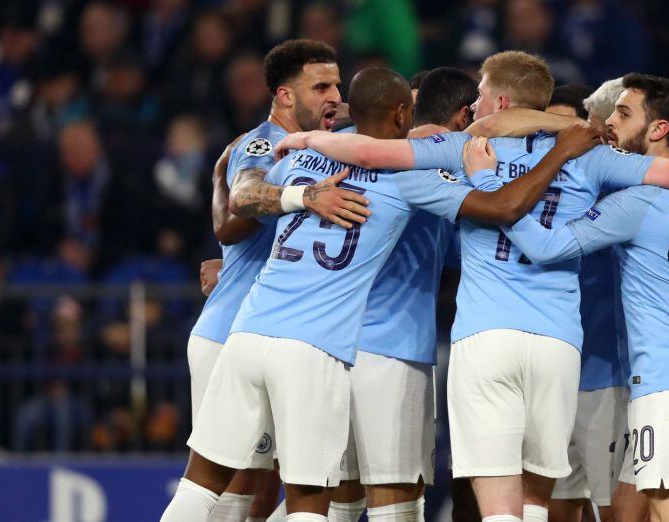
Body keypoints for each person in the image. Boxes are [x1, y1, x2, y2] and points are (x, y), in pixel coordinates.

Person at [275, 51, 669, 522]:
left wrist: (305, 143)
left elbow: (372, 150)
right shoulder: (593, 159)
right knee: (544, 499)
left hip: (487, 337)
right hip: (561, 346)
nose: (474, 107)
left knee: (497, 496)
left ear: (501, 103)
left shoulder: (466, 150)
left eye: (482, 96)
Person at [160, 66, 604, 522]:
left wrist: (275, 221)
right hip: (324, 348)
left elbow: (245, 203)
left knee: (201, 487)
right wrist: (560, 143)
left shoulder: (297, 161)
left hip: (249, 332)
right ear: (400, 114)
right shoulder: (410, 178)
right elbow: (501, 207)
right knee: (317, 505)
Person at [464, 74, 669, 522]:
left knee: (667, 510)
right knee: (641, 511)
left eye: (622, 114)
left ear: (656, 128)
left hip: (661, 373)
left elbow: (545, 246)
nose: (609, 125)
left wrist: (493, 194)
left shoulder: (634, 199)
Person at [187, 39, 368, 522]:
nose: (335, 96)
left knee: (267, 486)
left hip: (276, 333)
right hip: (234, 332)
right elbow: (236, 211)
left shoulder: (324, 144)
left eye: (338, 84)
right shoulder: (263, 142)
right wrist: (303, 197)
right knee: (233, 485)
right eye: (322, 87)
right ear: (285, 96)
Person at [326, 67, 480, 522]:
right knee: (398, 499)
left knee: (337, 498)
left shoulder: (333, 153)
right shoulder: (425, 172)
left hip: (330, 343)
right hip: (393, 349)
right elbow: (482, 234)